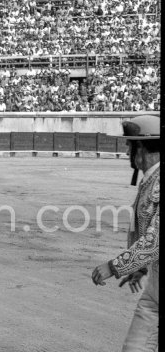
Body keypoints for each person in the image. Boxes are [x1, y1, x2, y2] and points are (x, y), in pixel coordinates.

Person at [91, 115, 159, 352]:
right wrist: (138, 268)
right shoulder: (151, 179)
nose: (127, 151)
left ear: (140, 148)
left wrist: (115, 266)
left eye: (130, 145)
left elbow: (155, 240)